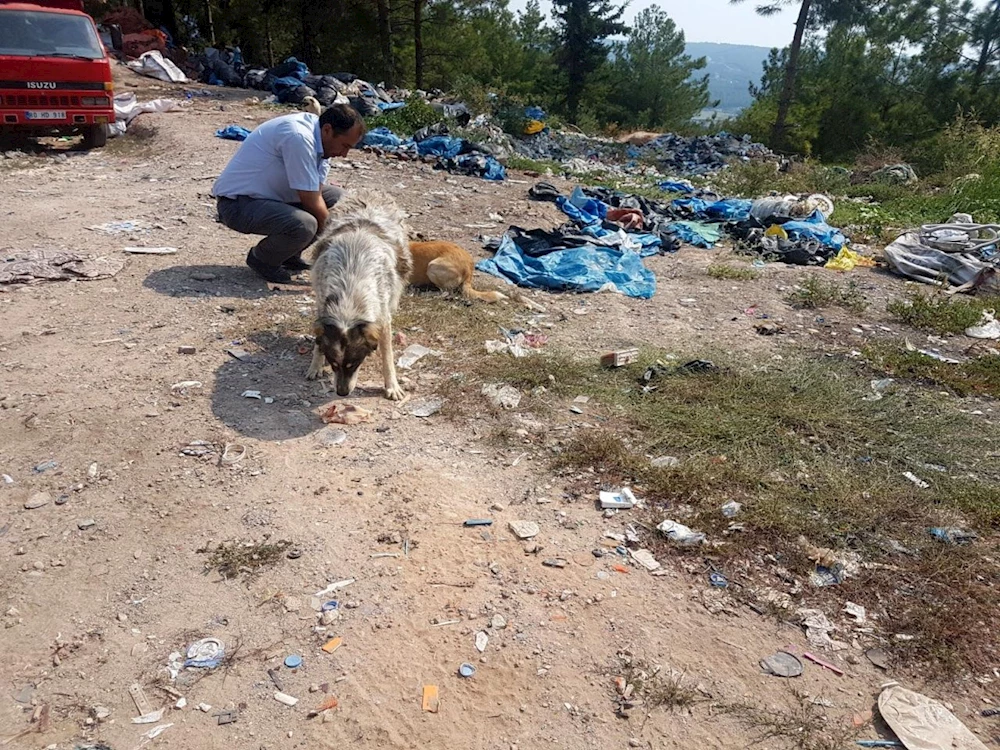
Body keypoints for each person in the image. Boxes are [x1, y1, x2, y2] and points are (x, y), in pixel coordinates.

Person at [213, 104, 366, 283]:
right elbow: (311, 200)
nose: (345, 154)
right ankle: (262, 259)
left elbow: (315, 189)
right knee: (305, 224)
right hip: (238, 204)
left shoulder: (322, 144)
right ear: (327, 130)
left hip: (272, 197)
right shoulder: (299, 136)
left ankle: (288, 254)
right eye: (344, 146)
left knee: (341, 201)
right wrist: (341, 242)